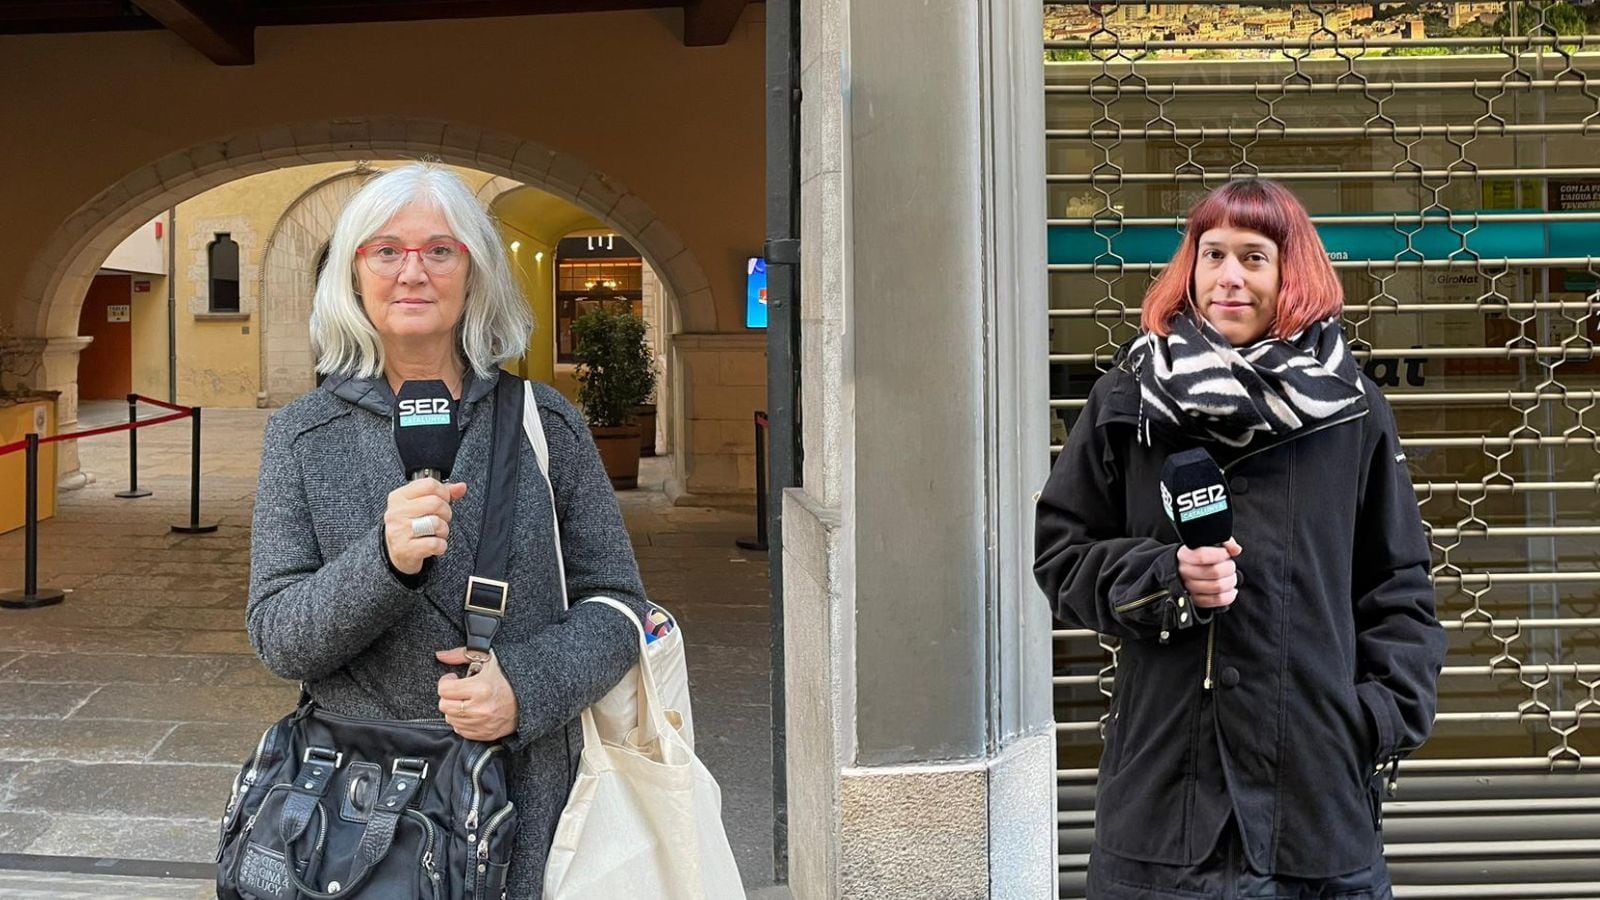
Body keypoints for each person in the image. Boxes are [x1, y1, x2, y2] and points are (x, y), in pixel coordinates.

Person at [1034, 179, 1447, 898]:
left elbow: (1399, 587)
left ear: (1292, 275)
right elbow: (1061, 554)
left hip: (1314, 802)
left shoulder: (1351, 411)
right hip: (1163, 797)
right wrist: (1164, 579)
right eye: (1213, 254)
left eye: (1254, 257)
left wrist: (1372, 722)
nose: (1229, 277)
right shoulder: (1129, 399)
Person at [247, 162, 650, 897]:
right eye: (386, 251)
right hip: (361, 797)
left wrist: (525, 687)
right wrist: (384, 561)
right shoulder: (302, 436)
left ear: (476, 273)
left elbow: (622, 607)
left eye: (440, 250)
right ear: (353, 274)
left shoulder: (545, 423)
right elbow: (278, 635)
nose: (412, 273)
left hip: (525, 787)